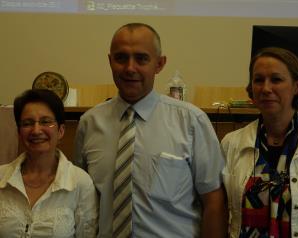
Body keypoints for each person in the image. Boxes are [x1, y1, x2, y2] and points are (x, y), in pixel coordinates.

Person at [74, 23, 227, 237]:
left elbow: (214, 201)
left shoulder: (191, 121)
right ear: (110, 61)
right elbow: (81, 200)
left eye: (141, 58)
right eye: (121, 58)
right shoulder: (89, 123)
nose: (130, 68)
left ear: (159, 64)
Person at [221, 47, 298, 237]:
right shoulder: (231, 144)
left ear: (297, 86)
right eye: (258, 80)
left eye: (276, 79)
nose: (266, 88)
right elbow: (221, 211)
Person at [0, 89, 98, 237]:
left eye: (46, 121)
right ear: (19, 133)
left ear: (61, 131)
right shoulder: (1, 177)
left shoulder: (80, 182)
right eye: (27, 123)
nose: (36, 130)